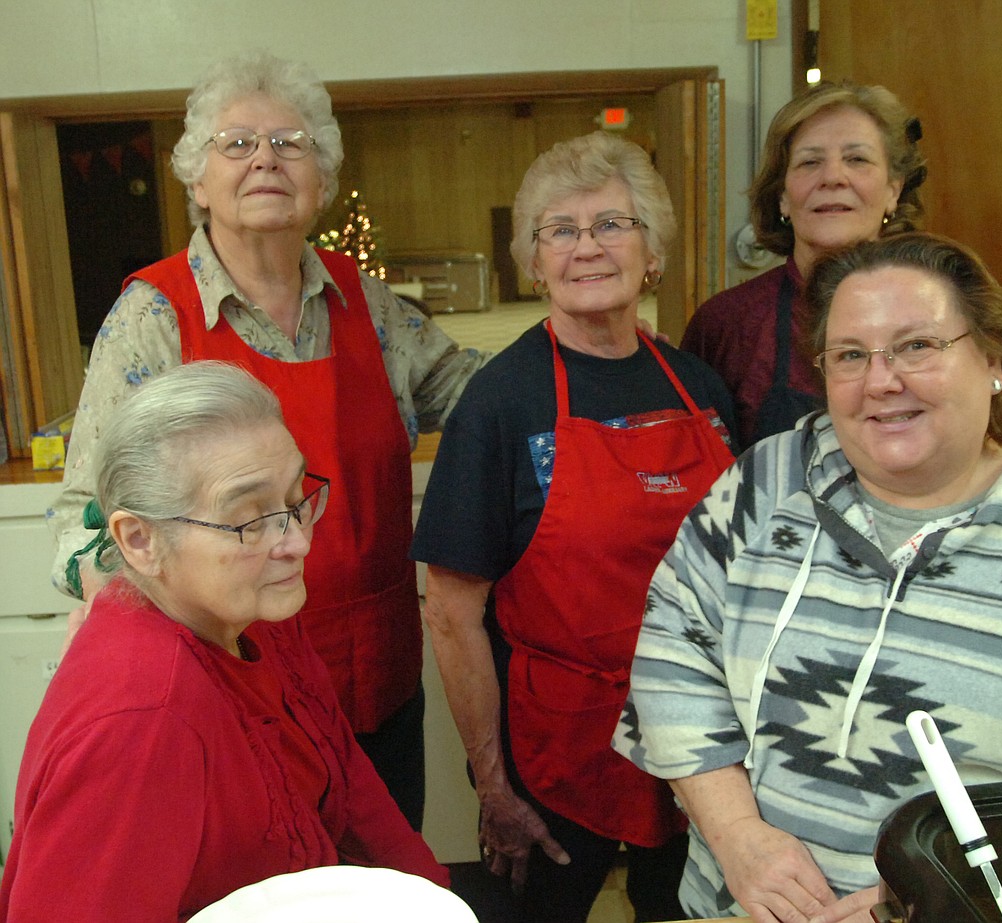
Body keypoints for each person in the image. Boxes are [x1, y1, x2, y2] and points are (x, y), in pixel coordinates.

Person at [615, 232, 1002, 923]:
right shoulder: (765, 484)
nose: (881, 381)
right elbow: (673, 656)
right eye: (850, 355)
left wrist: (922, 898)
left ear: (993, 358)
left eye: (917, 346)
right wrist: (738, 838)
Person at [45, 51, 489, 830]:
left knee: (380, 888)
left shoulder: (371, 304)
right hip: (230, 697)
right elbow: (86, 522)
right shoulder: (154, 316)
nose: (265, 161)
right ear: (196, 179)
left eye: (291, 144)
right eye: (237, 144)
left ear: (321, 179)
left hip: (379, 685)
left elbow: (483, 396)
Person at [411, 131, 738, 923]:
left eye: (611, 225)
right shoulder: (500, 402)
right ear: (534, 259)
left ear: (650, 249)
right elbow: (453, 613)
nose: (586, 247)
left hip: (701, 739)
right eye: (561, 229)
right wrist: (491, 786)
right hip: (559, 754)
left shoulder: (698, 386)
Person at [0, 362, 448, 923]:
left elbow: (353, 787)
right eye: (246, 522)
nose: (297, 542)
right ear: (140, 541)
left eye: (293, 500)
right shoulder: (144, 721)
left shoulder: (254, 613)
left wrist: (435, 898)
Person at [681, 81, 927, 447]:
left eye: (857, 159)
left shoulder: (945, 309)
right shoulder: (726, 325)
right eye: (810, 162)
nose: (832, 178)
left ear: (893, 189)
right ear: (782, 196)